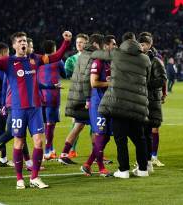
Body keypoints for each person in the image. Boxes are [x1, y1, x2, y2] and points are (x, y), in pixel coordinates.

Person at [0, 31, 71, 189]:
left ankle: (35, 177)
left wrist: (66, 42)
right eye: (19, 41)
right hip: (18, 109)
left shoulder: (35, 59)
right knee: (19, 141)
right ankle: (19, 179)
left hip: (35, 109)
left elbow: (55, 57)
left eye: (24, 40)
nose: (23, 43)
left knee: (39, 141)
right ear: (14, 45)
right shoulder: (7, 61)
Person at [91, 32, 151, 178]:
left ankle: (123, 170)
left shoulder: (116, 54)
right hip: (137, 103)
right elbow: (147, 80)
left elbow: (97, 54)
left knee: (121, 139)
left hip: (119, 103)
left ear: (122, 43)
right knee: (140, 139)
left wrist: (91, 45)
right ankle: (143, 169)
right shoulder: (145, 59)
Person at [59, 34, 104, 165]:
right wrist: (88, 99)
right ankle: (96, 158)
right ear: (96, 44)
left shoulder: (82, 55)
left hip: (78, 96)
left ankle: (63, 154)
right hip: (85, 98)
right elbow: (86, 80)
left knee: (78, 126)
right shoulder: (91, 56)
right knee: (97, 128)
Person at [80, 35, 117, 177]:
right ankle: (101, 168)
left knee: (107, 136)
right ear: (106, 46)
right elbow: (94, 83)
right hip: (98, 105)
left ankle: (88, 164)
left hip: (108, 104)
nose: (115, 46)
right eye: (113, 44)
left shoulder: (109, 62)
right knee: (101, 134)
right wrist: (111, 83)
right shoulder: (98, 62)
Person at [138, 34, 167, 172]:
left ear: (150, 45)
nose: (143, 46)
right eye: (141, 44)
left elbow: (162, 79)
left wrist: (145, 85)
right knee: (141, 132)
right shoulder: (136, 59)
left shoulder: (156, 60)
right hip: (139, 100)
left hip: (151, 100)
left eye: (145, 44)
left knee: (149, 131)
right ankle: (145, 161)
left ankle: (149, 160)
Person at [38, 40, 66, 160]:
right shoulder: (58, 61)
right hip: (52, 94)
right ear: (54, 49)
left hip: (40, 95)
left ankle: (50, 148)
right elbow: (65, 75)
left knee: (44, 123)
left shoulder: (38, 60)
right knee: (51, 124)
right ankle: (48, 150)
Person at [64, 33, 89, 158]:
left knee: (94, 124)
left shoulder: (92, 58)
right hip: (77, 95)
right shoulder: (71, 60)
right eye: (77, 42)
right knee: (76, 122)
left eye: (81, 42)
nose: (79, 44)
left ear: (87, 43)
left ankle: (97, 151)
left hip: (90, 93)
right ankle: (72, 150)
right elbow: (67, 74)